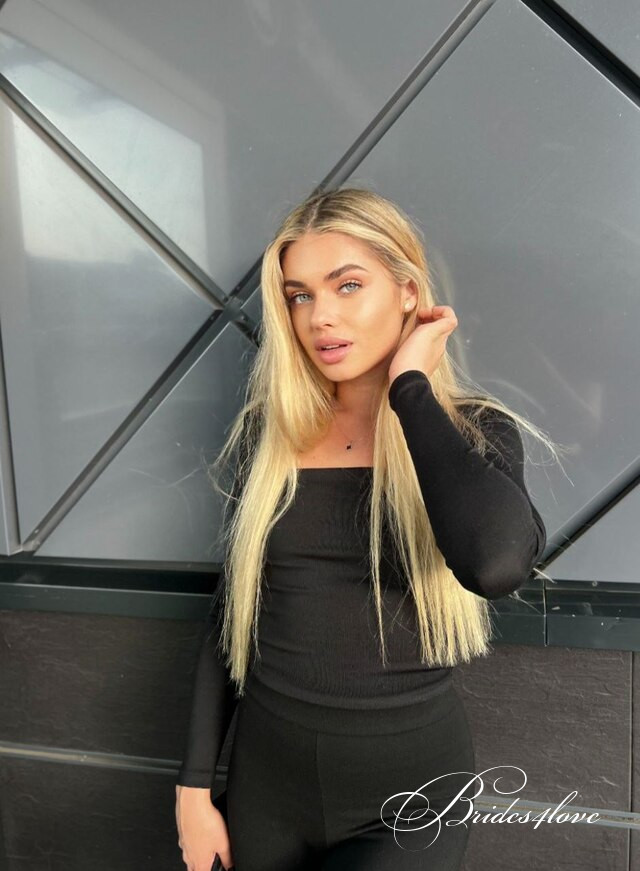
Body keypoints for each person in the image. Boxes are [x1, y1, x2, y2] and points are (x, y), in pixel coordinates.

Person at [175, 187, 557, 871]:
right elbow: (229, 616)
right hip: (266, 786)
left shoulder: (473, 432)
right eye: (299, 296)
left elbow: (495, 565)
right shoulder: (269, 437)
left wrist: (410, 386)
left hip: (410, 797)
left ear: (408, 292)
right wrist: (193, 792)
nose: (320, 316)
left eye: (347, 285)